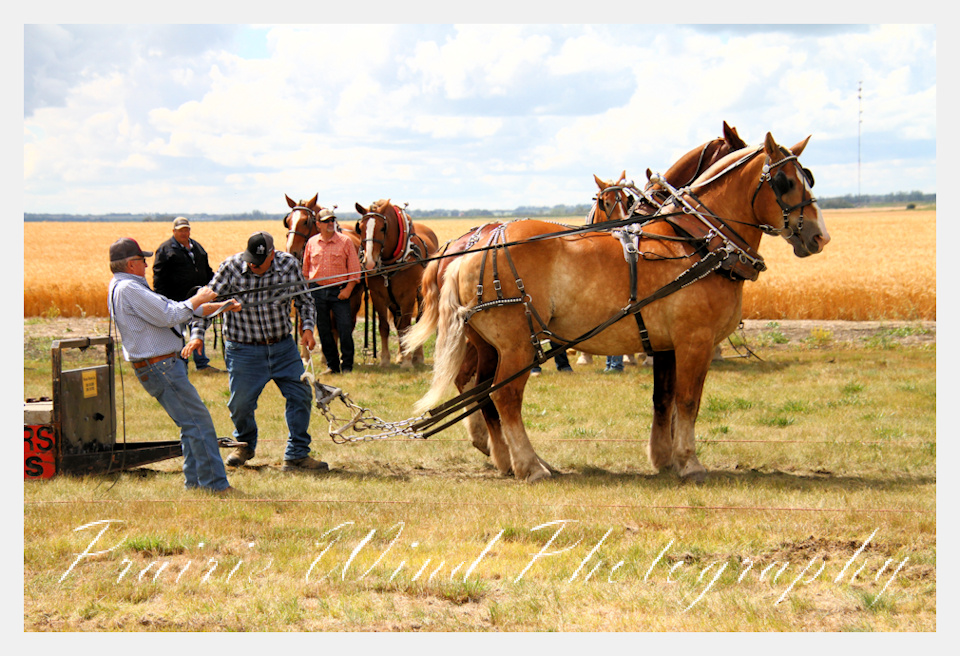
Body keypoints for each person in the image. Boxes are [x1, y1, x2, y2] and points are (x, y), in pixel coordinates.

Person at [186, 232, 327, 473]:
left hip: (283, 348)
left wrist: (307, 328)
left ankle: (297, 454)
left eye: (259, 263)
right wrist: (197, 334)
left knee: (301, 395)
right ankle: (244, 445)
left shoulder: (288, 265)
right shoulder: (230, 268)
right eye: (251, 261)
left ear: (272, 255)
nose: (254, 266)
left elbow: (305, 300)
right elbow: (204, 303)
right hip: (243, 350)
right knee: (240, 405)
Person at [108, 237, 240, 494]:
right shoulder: (129, 289)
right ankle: (215, 485)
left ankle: (196, 484)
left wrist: (222, 306)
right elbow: (171, 315)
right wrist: (199, 297)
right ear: (131, 264)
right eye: (142, 260)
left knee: (190, 424)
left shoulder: (124, 286)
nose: (147, 265)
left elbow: (172, 309)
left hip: (160, 366)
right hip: (161, 367)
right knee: (199, 423)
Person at [152, 217, 223, 374]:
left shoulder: (197, 247)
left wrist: (213, 289)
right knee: (179, 333)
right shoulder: (165, 249)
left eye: (186, 229)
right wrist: (161, 299)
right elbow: (159, 277)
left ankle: (202, 364)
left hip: (198, 298)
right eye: (181, 230)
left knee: (198, 329)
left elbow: (206, 270)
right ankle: (181, 364)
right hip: (176, 300)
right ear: (174, 231)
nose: (184, 233)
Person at [301, 208, 362, 374]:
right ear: (318, 224)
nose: (330, 223)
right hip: (317, 291)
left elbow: (355, 270)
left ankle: (347, 365)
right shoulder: (312, 243)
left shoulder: (345, 241)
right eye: (326, 221)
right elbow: (306, 270)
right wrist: (308, 291)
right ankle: (332, 365)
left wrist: (348, 289)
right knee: (323, 330)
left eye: (332, 220)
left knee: (345, 328)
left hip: (339, 292)